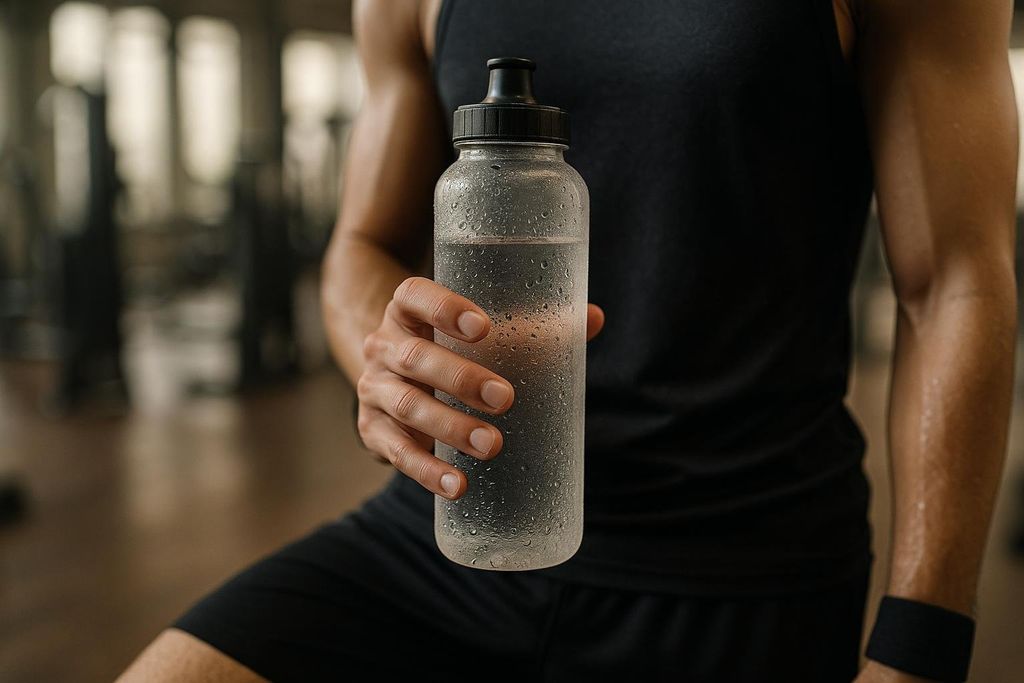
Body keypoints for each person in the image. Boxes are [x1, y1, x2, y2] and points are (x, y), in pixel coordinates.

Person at [120, 0, 1018, 681]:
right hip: (452, 533)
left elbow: (954, 284)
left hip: (736, 565)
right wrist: (384, 362)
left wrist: (920, 647)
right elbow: (363, 244)